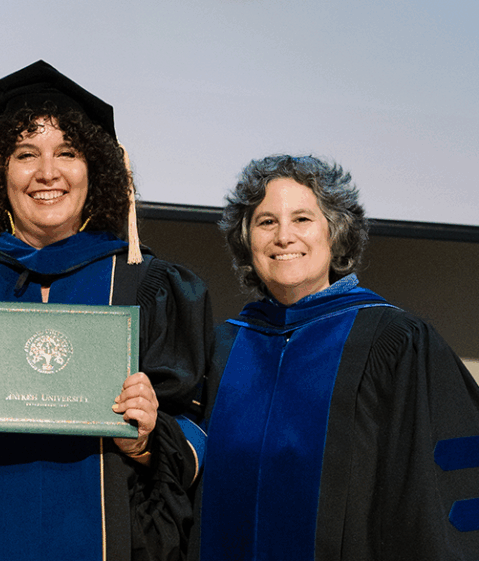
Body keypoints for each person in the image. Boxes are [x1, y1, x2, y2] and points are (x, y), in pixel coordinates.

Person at [0, 60, 213, 561]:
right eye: (25, 154)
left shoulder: (150, 287)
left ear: (96, 170)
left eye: (68, 153)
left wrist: (145, 437)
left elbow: (195, 434)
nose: (47, 173)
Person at [191, 155, 479, 560]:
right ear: (247, 239)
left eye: (303, 219)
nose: (283, 237)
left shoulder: (395, 342)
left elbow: (433, 497)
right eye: (266, 221)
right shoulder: (220, 347)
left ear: (335, 232)